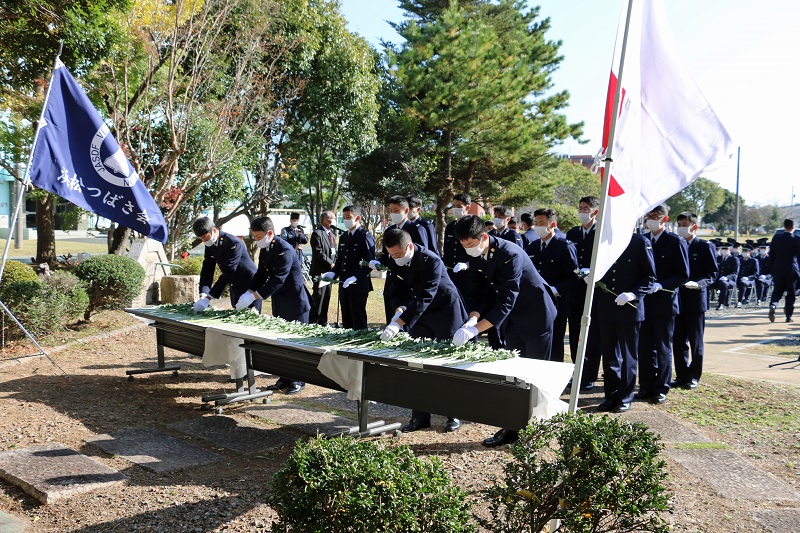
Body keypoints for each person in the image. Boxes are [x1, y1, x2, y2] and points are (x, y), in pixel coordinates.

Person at [453, 215, 557, 447]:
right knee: (517, 374)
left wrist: (476, 331)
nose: (468, 249)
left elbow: (507, 300)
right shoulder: (476, 254)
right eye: (464, 245)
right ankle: (513, 427)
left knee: (536, 374)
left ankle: (538, 430)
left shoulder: (509, 253)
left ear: (484, 237)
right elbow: (478, 292)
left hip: (535, 314)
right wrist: (472, 319)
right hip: (512, 320)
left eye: (471, 244)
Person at [380, 228, 466, 433]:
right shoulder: (394, 259)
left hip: (445, 312)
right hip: (419, 314)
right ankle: (420, 417)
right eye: (391, 255)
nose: (395, 258)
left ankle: (453, 413)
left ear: (409, 247)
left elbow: (426, 295)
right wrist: (399, 310)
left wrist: (400, 322)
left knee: (448, 364)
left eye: (398, 254)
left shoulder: (431, 260)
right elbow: (397, 291)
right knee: (417, 363)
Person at [236, 216, 312, 394]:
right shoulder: (266, 248)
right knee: (281, 340)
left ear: (270, 233)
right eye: (254, 236)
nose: (256, 240)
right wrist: (249, 291)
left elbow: (278, 279)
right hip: (280, 300)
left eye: (258, 236)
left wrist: (255, 295)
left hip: (295, 302)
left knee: (296, 342)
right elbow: (261, 274)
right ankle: (284, 377)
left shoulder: (284, 249)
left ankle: (299, 379)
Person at [594, 230, 656, 413]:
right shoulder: (605, 241)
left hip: (629, 308)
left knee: (628, 356)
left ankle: (625, 397)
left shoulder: (640, 242)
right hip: (607, 306)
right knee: (609, 354)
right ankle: (611, 395)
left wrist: (633, 294)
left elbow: (650, 277)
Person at [635, 204, 689, 405]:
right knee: (645, 346)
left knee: (663, 346)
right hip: (644, 301)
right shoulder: (643, 240)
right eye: (649, 216)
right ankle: (646, 386)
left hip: (665, 302)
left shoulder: (675, 242)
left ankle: (661, 387)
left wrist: (661, 285)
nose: (651, 219)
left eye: (655, 216)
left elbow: (683, 274)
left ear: (665, 219)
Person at [525, 207, 579, 362]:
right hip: (535, 303)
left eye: (542, 223)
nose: (538, 226)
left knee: (555, 344)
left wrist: (555, 289)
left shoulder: (564, 247)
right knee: (536, 343)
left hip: (557, 303)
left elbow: (573, 278)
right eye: (536, 223)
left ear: (552, 224)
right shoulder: (533, 247)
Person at [672, 212, 718, 390]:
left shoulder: (705, 246)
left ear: (695, 226)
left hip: (696, 300)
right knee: (678, 341)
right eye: (680, 224)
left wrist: (698, 284)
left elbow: (712, 274)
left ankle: (694, 376)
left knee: (695, 341)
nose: (682, 227)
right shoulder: (677, 244)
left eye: (685, 223)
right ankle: (681, 375)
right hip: (678, 299)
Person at [565, 196, 602, 390]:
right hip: (575, 290)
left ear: (595, 212)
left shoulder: (601, 232)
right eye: (580, 208)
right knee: (575, 335)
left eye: (586, 208)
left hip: (594, 290)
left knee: (592, 335)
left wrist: (593, 273)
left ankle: (590, 374)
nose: (582, 211)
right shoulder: (573, 232)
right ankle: (577, 371)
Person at [321, 205, 376, 330]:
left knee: (357, 317)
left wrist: (355, 277)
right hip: (344, 282)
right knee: (346, 317)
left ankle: (358, 344)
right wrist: (333, 273)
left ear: (358, 218)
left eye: (349, 217)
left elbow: (370, 262)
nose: (346, 220)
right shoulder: (344, 236)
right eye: (344, 217)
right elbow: (341, 260)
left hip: (358, 283)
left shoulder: (365, 236)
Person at [377, 195, 431, 322]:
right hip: (394, 279)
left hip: (411, 281)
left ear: (406, 211)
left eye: (396, 211)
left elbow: (423, 255)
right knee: (391, 311)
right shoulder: (390, 230)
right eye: (390, 211)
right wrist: (378, 262)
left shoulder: (417, 229)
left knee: (409, 316)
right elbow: (387, 255)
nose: (393, 214)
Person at [191, 216, 259, 313]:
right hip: (234, 285)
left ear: (214, 230)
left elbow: (229, 271)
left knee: (251, 318)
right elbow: (207, 270)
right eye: (201, 238)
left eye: (205, 237)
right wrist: (203, 294)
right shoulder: (210, 245)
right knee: (236, 319)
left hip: (249, 285)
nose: (204, 241)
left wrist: (209, 298)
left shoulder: (233, 242)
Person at [768, 219, 800, 323]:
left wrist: (773, 268)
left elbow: (771, 255)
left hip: (778, 268)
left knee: (777, 290)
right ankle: (788, 316)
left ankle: (773, 304)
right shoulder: (797, 240)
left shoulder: (776, 238)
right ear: (793, 227)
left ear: (784, 226)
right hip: (791, 269)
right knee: (791, 293)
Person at [309, 211, 337, 325]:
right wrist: (330, 263)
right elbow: (318, 252)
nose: (335, 220)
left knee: (327, 296)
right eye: (333, 218)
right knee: (319, 296)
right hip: (320, 271)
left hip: (329, 272)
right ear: (326, 220)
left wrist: (336, 264)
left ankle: (323, 321)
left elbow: (334, 252)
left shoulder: (332, 235)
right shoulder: (317, 233)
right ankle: (313, 321)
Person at [443, 193, 472, 297]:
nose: (455, 209)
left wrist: (468, 264)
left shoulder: (472, 225)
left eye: (459, 207)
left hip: (468, 274)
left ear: (467, 207)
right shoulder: (450, 226)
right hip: (451, 273)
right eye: (454, 206)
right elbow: (447, 248)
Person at [710, 243, 739, 310]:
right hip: (718, 279)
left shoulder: (734, 259)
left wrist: (727, 277)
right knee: (707, 283)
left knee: (723, 284)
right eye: (723, 249)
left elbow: (735, 273)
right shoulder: (718, 258)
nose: (724, 251)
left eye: (726, 249)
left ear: (730, 250)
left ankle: (721, 303)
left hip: (729, 280)